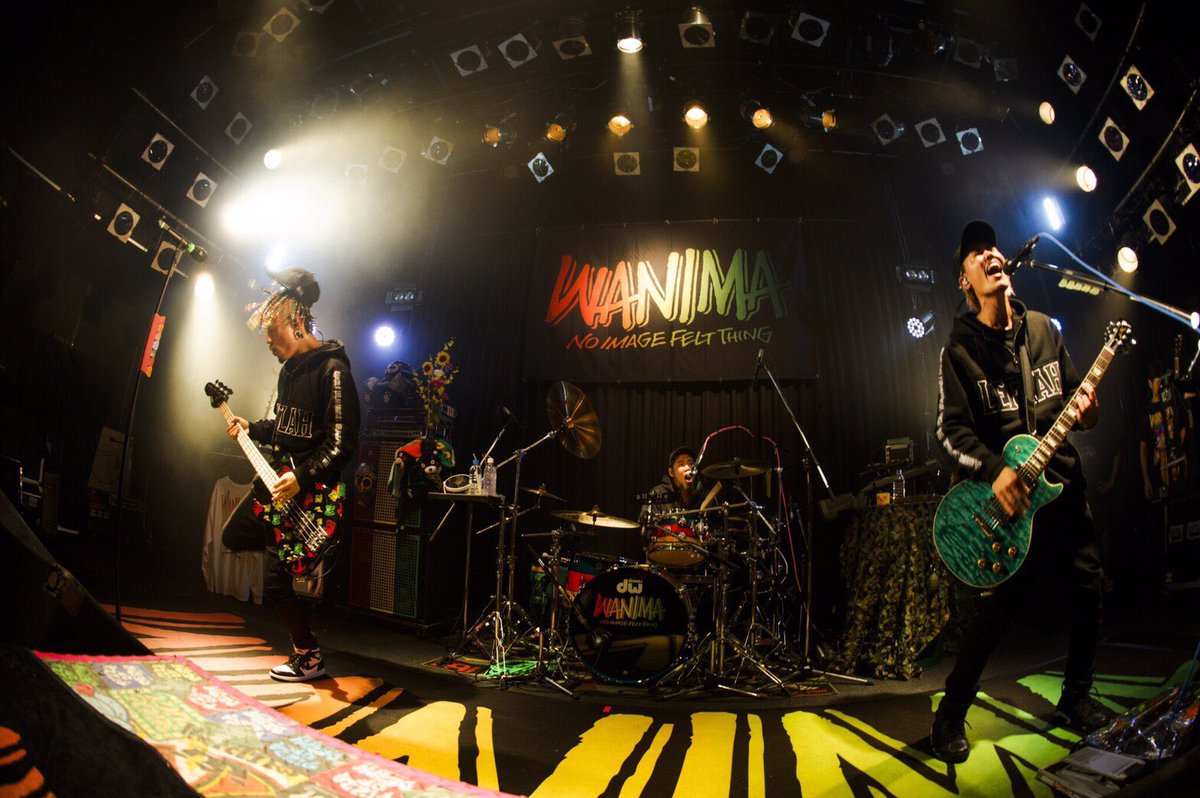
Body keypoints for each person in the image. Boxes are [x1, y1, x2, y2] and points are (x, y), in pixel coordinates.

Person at [931, 220, 1111, 763]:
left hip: (1063, 489)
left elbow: (1080, 400)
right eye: (975, 252)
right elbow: (949, 431)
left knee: (1089, 591)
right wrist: (995, 471)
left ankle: (1075, 698)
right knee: (994, 618)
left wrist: (1089, 411)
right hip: (1009, 505)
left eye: (992, 246)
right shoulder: (959, 351)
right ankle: (949, 716)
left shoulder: (1043, 330)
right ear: (964, 279)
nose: (989, 254)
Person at [221, 268, 360, 682]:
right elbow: (283, 426)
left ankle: (309, 656)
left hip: (308, 494)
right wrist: (253, 428)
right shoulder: (289, 372)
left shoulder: (334, 371)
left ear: (297, 322)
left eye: (272, 330)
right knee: (232, 536)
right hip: (277, 487)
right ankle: (283, 545)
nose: (267, 340)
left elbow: (341, 445)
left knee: (275, 584)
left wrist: (301, 478)